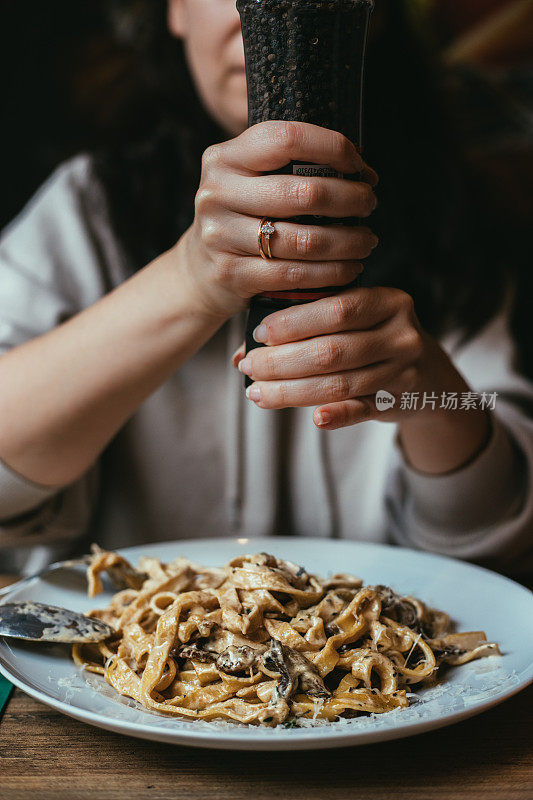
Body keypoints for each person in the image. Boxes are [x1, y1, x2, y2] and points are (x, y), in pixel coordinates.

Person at [0, 0, 531, 577]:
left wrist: (428, 393)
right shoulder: (88, 206)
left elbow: (497, 525)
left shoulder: (456, 220)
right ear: (175, 10)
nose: (273, 15)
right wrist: (190, 280)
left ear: (369, 15)